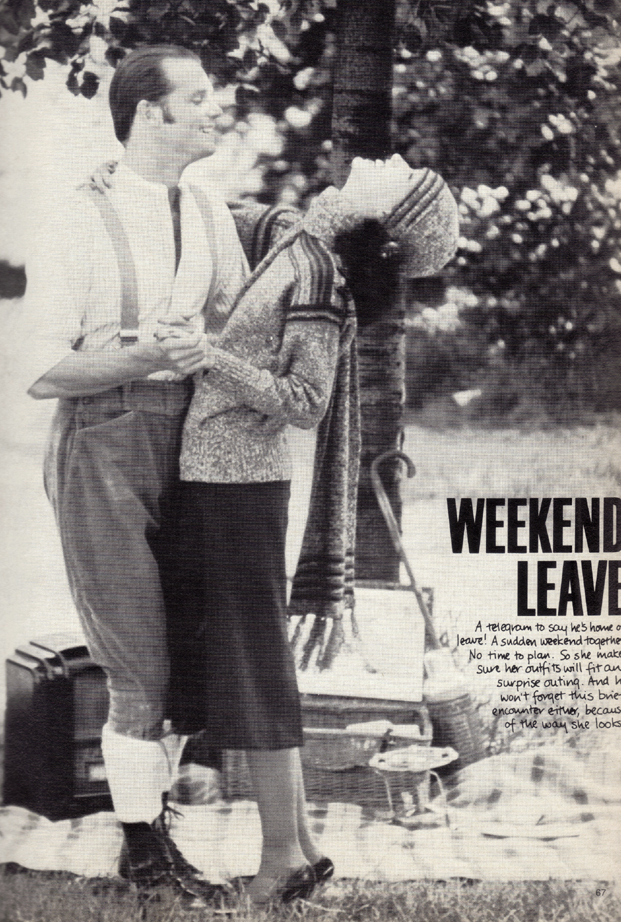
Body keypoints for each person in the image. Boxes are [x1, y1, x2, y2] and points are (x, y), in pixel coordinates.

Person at [156, 154, 459, 905]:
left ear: (386, 217)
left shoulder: (320, 277)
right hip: (225, 480)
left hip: (236, 486)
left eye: (403, 172)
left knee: (252, 671)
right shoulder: (305, 242)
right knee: (256, 665)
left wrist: (209, 360)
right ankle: (297, 848)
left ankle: (277, 862)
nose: (391, 156)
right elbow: (214, 215)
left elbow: (304, 400)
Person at [22, 44, 250, 898]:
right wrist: (144, 355)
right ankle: (143, 854)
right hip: (101, 440)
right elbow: (43, 371)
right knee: (137, 662)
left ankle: (154, 839)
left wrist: (207, 350)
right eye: (196, 98)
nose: (210, 110)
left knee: (189, 655)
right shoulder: (79, 216)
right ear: (149, 113)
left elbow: (233, 318)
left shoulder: (206, 207)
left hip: (190, 440)